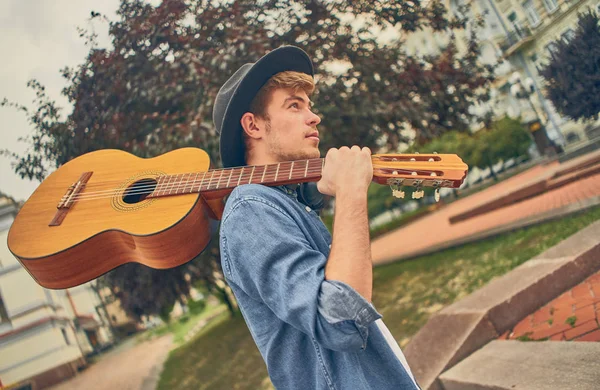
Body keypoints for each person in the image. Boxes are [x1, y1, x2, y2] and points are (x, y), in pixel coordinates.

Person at [213, 46, 420, 389]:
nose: (314, 117)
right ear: (253, 125)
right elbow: (341, 321)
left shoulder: (283, 202)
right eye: (294, 105)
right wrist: (352, 192)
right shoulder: (250, 209)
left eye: (309, 105)